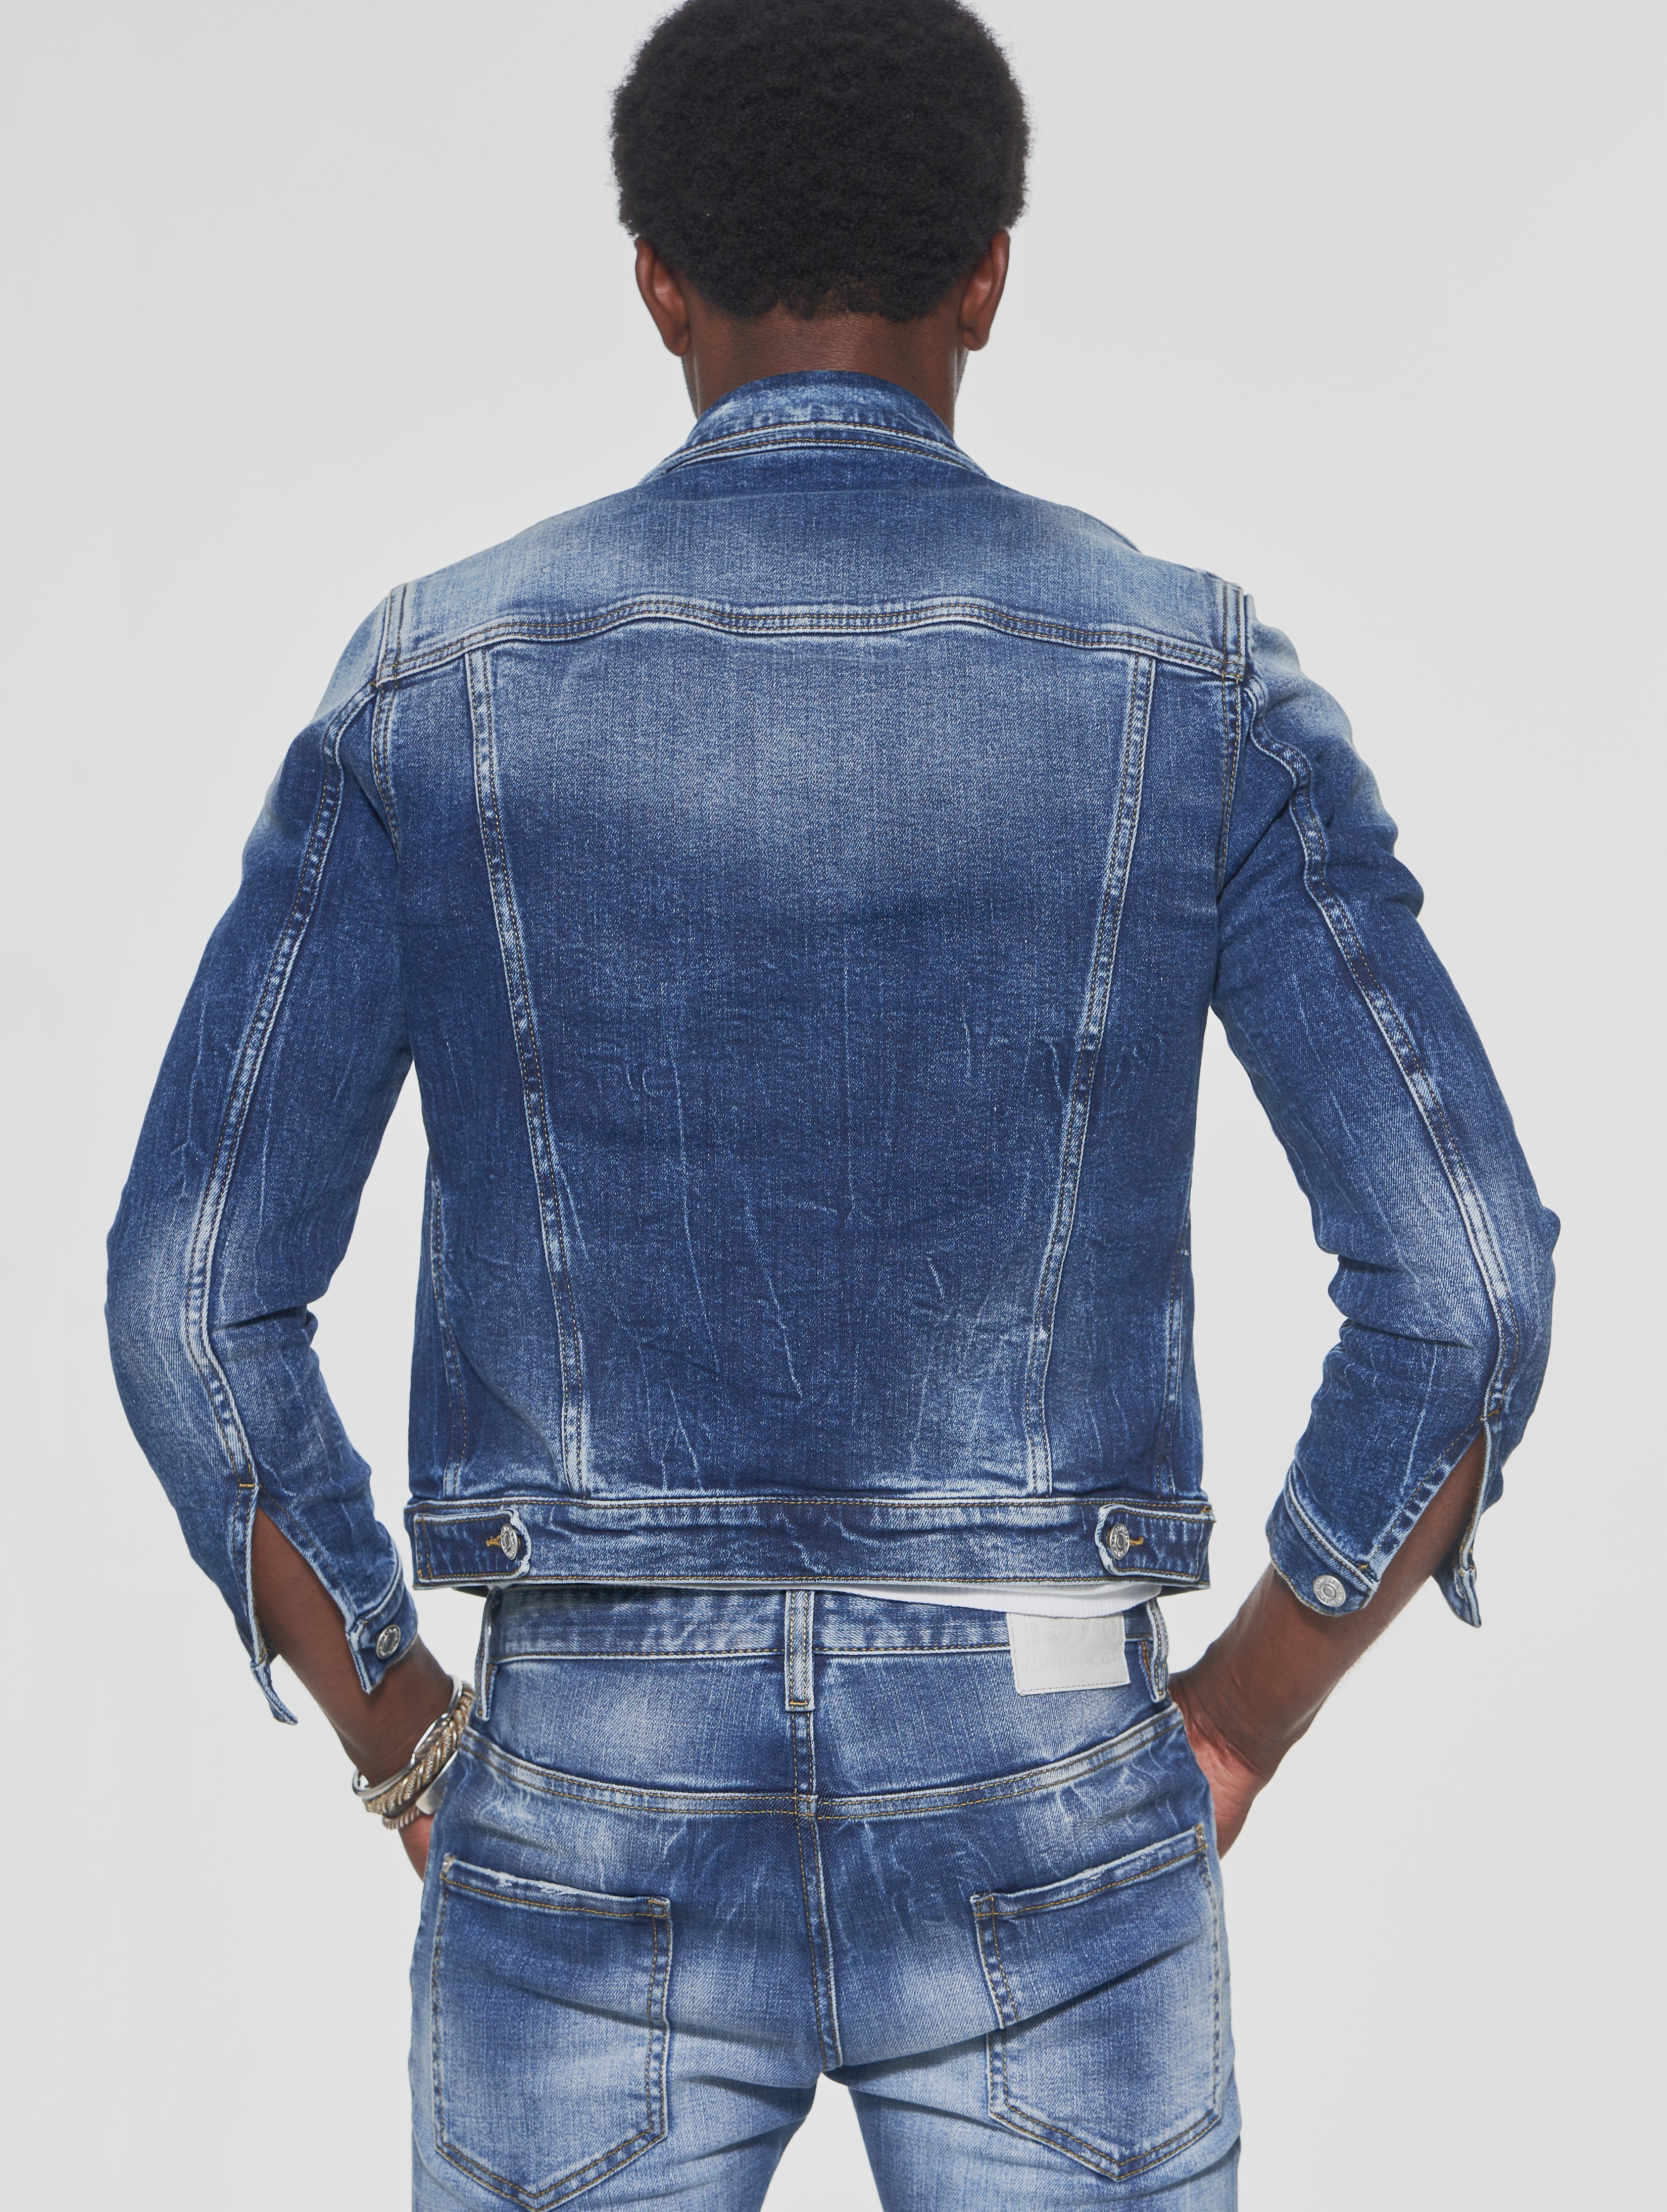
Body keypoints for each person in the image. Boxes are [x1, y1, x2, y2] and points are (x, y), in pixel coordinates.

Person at [105, 2, 1557, 2204]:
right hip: (1049, 1751)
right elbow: (1468, 1288)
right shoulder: (1192, 691)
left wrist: (410, 1740)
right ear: (990, 273)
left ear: (653, 281)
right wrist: (1243, 1712)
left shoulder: (436, 689)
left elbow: (188, 1299)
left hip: (586, 1765)